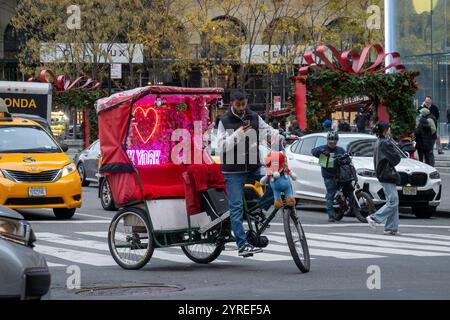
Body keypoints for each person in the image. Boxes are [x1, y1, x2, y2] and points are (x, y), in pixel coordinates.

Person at [217, 90, 290, 257]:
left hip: (253, 166)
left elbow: (267, 131)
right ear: (232, 103)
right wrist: (238, 134)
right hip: (233, 171)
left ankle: (259, 209)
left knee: (276, 180)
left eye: (244, 104)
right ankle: (242, 245)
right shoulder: (224, 121)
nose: (242, 108)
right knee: (236, 208)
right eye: (238, 105)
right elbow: (221, 147)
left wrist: (280, 137)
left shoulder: (254, 116)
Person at [366, 121, 401, 236]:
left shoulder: (379, 141)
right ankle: (374, 218)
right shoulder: (386, 143)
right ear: (385, 130)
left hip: (383, 173)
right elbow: (396, 159)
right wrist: (393, 144)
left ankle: (391, 228)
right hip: (387, 174)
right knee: (393, 201)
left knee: (393, 201)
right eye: (388, 128)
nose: (390, 129)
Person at [311, 131, 346, 222]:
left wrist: (345, 160)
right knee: (331, 194)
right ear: (327, 141)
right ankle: (331, 215)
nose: (332, 144)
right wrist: (322, 151)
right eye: (331, 143)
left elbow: (347, 159)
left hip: (341, 175)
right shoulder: (323, 148)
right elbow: (313, 151)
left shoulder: (340, 150)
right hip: (329, 176)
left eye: (334, 143)